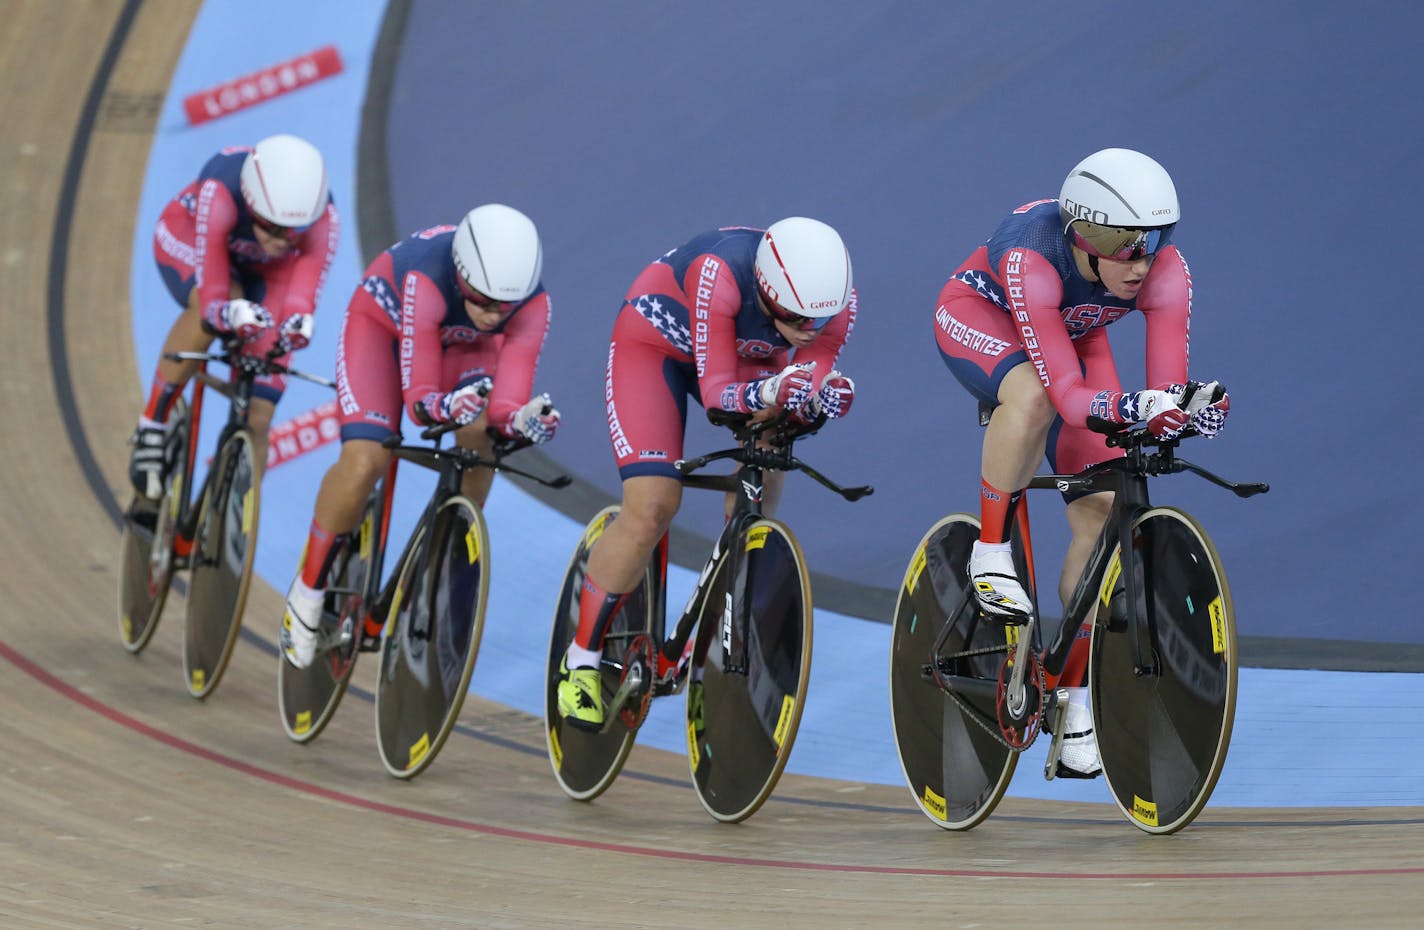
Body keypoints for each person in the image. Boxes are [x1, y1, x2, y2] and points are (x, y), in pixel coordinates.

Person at [932, 147, 1231, 778]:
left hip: (1072, 331)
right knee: (1036, 397)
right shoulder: (1030, 255)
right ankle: (990, 549)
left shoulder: (1165, 274)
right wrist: (1133, 405)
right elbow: (1070, 399)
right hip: (981, 319)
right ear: (1084, 235)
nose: (1142, 262)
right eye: (1127, 246)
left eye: (1155, 242)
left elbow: (1160, 392)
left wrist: (1175, 412)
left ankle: (1072, 697)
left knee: (1100, 516)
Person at [556, 217, 859, 730]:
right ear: (765, 292)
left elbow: (808, 380)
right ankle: (580, 659)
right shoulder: (719, 273)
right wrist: (772, 392)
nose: (810, 330)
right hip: (655, 346)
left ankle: (736, 566)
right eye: (796, 318)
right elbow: (718, 393)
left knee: (770, 447)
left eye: (819, 321)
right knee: (653, 505)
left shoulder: (835, 304)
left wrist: (815, 404)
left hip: (742, 360)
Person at [280, 204, 561, 669]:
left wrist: (524, 420)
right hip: (382, 332)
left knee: (479, 440)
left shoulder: (531, 305)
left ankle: (446, 551)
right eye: (480, 299)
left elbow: (507, 404)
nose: (491, 315)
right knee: (366, 461)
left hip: (461, 349)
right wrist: (443, 406)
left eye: (502, 307)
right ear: (461, 274)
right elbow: (420, 400)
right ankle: (306, 597)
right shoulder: (426, 279)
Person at [129, 133, 339, 499]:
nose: (283, 240)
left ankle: (234, 525)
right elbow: (213, 297)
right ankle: (153, 424)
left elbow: (301, 297)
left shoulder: (324, 219)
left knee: (258, 414)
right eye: (272, 227)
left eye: (295, 233)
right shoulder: (221, 188)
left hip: (265, 273)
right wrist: (227, 312)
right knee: (216, 308)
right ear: (252, 202)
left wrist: (298, 322)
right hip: (191, 240)